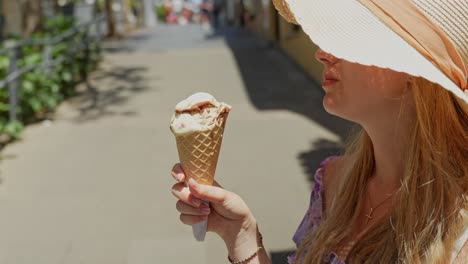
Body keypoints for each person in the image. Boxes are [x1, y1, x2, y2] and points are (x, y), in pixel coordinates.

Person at [170, 0, 468, 263]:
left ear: (414, 74)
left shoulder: (460, 236)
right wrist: (241, 235)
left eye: (350, 36)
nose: (322, 53)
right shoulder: (332, 182)